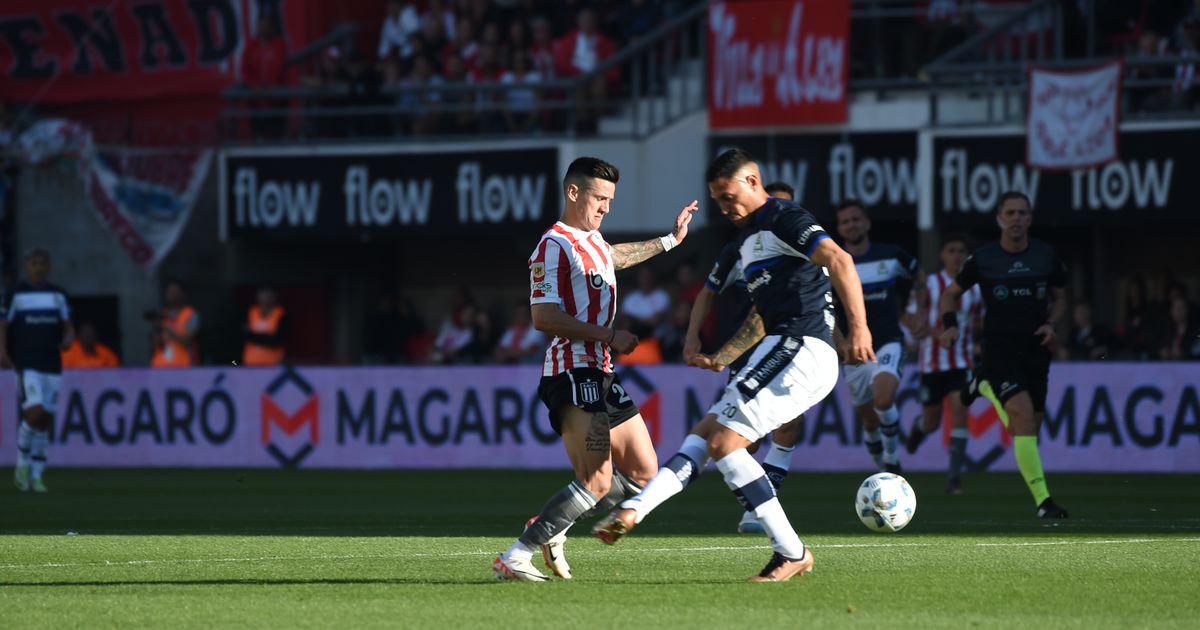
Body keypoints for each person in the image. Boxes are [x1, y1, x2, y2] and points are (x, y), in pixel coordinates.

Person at [594, 149, 873, 582]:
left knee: (726, 443)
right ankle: (634, 510)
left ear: (753, 182)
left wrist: (859, 329)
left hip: (804, 347)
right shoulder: (747, 242)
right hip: (778, 346)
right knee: (704, 435)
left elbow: (840, 260)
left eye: (729, 196)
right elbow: (760, 315)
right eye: (717, 200)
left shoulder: (784, 217)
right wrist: (721, 354)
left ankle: (791, 552)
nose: (725, 207)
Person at [493, 157, 698, 582]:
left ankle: (553, 525)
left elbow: (614, 256)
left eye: (610, 200)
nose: (606, 208)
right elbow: (543, 316)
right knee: (597, 480)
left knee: (644, 473)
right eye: (599, 198)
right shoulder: (552, 246)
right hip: (572, 372)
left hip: (601, 374)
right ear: (573, 192)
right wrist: (607, 336)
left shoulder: (594, 241)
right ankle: (515, 556)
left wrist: (670, 241)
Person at [682, 180, 808, 534]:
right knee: (743, 442)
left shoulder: (802, 247)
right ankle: (757, 501)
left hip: (790, 347)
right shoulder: (739, 249)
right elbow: (707, 294)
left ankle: (758, 510)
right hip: (747, 352)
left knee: (790, 423)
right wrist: (693, 336)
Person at [938, 191, 1070, 518]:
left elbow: (1061, 297)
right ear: (999, 218)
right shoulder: (984, 259)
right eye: (1009, 213)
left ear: (1030, 218)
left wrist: (1052, 324)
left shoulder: (1045, 255)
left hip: (1037, 351)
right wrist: (950, 326)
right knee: (1024, 421)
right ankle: (1044, 503)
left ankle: (981, 386)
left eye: (1022, 213)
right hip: (1000, 352)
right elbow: (949, 295)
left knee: (1028, 429)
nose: (1016, 219)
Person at [835, 201, 925, 473]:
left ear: (867, 223)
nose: (852, 225)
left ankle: (892, 461)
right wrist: (840, 342)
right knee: (870, 420)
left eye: (856, 219)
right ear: (840, 228)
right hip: (853, 351)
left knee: (884, 400)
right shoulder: (834, 263)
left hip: (888, 341)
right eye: (846, 221)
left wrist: (915, 309)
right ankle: (882, 466)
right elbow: (823, 306)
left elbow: (919, 277)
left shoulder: (891, 255)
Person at [904, 235, 983, 494]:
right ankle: (918, 429)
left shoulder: (975, 287)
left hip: (962, 362)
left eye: (961, 250)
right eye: (952, 249)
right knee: (932, 423)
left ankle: (954, 479)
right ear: (942, 255)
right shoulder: (930, 285)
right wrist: (926, 330)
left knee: (960, 413)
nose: (957, 255)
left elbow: (982, 321)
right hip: (932, 364)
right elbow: (910, 315)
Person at [0, 248, 74, 492]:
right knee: (34, 413)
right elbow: (3, 326)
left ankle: (38, 474)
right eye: (34, 263)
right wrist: (2, 352)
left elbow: (68, 327)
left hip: (52, 362)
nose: (38, 267)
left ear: (48, 266)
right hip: (27, 362)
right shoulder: (16, 294)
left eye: (43, 263)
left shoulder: (58, 295)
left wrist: (68, 338)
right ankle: (22, 463)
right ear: (26, 266)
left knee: (45, 420)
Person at [150, 279, 200, 368]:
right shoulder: (162, 314)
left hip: (182, 367)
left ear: (183, 294)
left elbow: (186, 341)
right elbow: (155, 345)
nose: (172, 295)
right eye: (169, 292)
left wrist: (166, 328)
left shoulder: (190, 314)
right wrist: (157, 330)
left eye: (175, 292)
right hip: (160, 366)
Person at [242, 287, 288, 367]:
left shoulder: (281, 314)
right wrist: (267, 337)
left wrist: (253, 336)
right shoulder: (249, 313)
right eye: (263, 295)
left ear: (275, 297)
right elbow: (243, 335)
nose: (266, 299)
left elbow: (277, 340)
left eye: (269, 295)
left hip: (274, 363)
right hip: (250, 363)